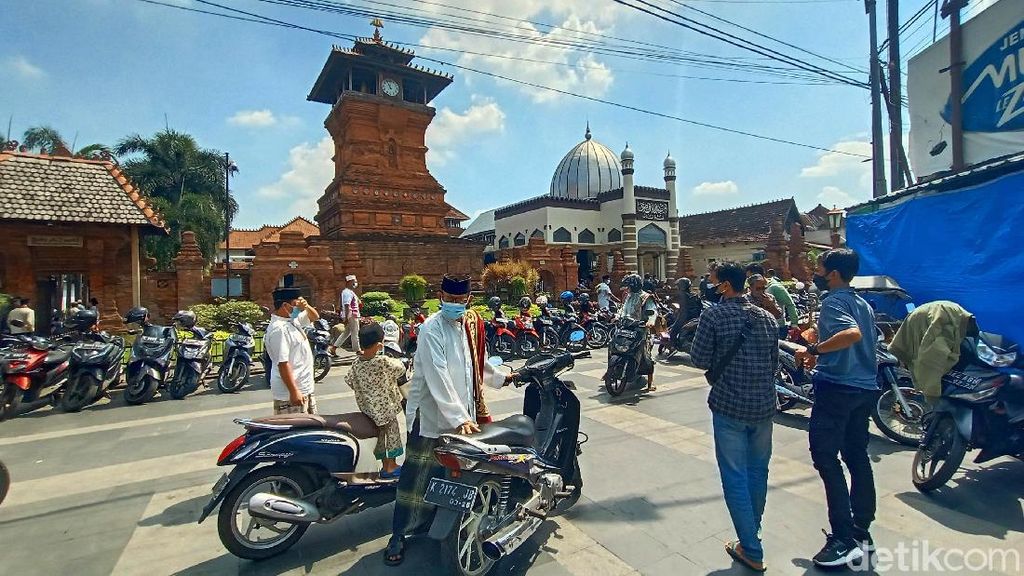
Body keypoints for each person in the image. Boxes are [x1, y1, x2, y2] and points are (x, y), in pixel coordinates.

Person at [385, 275, 515, 566]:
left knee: (448, 473)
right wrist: (458, 418)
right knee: (416, 479)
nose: (455, 305)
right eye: (450, 299)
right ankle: (398, 534)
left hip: (462, 416)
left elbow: (476, 361)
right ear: (440, 295)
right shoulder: (431, 328)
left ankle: (436, 522)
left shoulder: (467, 325)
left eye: (460, 300)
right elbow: (437, 376)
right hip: (431, 416)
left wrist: (502, 377)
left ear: (468, 299)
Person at [690, 261, 778, 572]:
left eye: (713, 281)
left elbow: (699, 359)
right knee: (758, 472)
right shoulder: (767, 318)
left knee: (735, 477)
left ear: (726, 285)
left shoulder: (713, 314)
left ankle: (751, 548)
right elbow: (774, 365)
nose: (710, 285)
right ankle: (750, 536)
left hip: (729, 406)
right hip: (764, 406)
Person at [794, 249, 880, 567]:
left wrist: (813, 348)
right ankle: (861, 527)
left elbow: (851, 334)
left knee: (826, 458)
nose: (816, 272)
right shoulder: (863, 304)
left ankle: (843, 538)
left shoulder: (834, 301)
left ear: (832, 274)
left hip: (837, 388)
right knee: (857, 456)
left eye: (819, 268)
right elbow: (868, 338)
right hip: (865, 388)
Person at [345, 323, 407, 479]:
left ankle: (383, 465)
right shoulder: (382, 362)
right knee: (391, 437)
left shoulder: (356, 364)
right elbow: (400, 368)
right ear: (380, 345)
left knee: (379, 439)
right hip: (387, 409)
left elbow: (349, 380)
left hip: (368, 411)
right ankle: (391, 466)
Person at [889, 300, 977, 406]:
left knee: (926, 355)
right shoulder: (949, 323)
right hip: (931, 316)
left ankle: (928, 392)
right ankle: (930, 399)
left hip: (924, 315)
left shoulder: (954, 320)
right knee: (933, 358)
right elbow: (932, 358)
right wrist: (933, 395)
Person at [264, 287, 322, 415]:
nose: (298, 309)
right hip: (290, 394)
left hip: (304, 388)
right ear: (285, 305)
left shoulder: (292, 320)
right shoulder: (279, 329)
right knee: (296, 432)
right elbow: (283, 363)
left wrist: (306, 306)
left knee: (311, 430)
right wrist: (294, 391)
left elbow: (315, 317)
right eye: (296, 305)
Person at [618, 273, 658, 392]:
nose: (627, 288)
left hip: (641, 329)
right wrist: (617, 316)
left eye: (629, 286)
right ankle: (611, 370)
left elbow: (652, 311)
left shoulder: (646, 297)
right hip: (626, 326)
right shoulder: (628, 296)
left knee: (646, 355)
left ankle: (650, 383)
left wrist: (650, 321)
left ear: (634, 285)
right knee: (613, 344)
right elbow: (622, 309)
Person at [746, 263, 799, 339]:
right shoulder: (746, 298)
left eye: (763, 288)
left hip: (777, 328)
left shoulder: (775, 288)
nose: (761, 291)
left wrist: (794, 324)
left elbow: (789, 304)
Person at [331, 274, 361, 356]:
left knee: (346, 333)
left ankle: (334, 347)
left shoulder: (349, 292)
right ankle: (358, 350)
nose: (355, 283)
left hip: (351, 315)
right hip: (352, 315)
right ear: (349, 282)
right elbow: (347, 305)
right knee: (355, 332)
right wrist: (347, 317)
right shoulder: (347, 292)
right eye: (354, 282)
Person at [670, 277, 703, 346]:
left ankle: (674, 344)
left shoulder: (682, 294)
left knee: (673, 331)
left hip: (684, 316)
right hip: (695, 316)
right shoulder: (695, 294)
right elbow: (700, 306)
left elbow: (673, 300)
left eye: (678, 285)